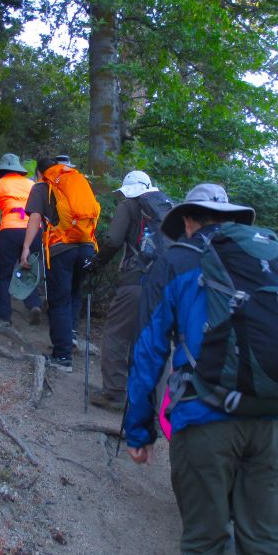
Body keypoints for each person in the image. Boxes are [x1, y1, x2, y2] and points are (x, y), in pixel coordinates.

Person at [124, 183, 278, 555]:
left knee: (204, 547)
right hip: (273, 422)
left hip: (204, 419)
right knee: (271, 550)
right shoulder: (264, 263)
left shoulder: (176, 261)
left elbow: (148, 348)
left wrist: (139, 429)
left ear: (188, 219)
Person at [89, 170, 170, 411]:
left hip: (136, 279)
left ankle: (114, 392)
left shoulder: (129, 205)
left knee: (116, 333)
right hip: (166, 284)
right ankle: (150, 402)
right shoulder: (167, 207)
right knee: (150, 339)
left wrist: (96, 263)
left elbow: (113, 240)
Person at [20, 156, 98, 372]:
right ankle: (69, 335)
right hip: (87, 247)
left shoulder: (41, 187)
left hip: (61, 249)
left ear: (40, 172)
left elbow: (35, 218)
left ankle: (62, 356)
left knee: (59, 299)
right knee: (75, 292)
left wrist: (26, 247)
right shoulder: (79, 184)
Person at [0, 153, 42, 326]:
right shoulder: (32, 184)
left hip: (10, 230)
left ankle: (4, 315)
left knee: (6, 273)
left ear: (1, 170)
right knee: (29, 268)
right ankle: (33, 304)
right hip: (34, 230)